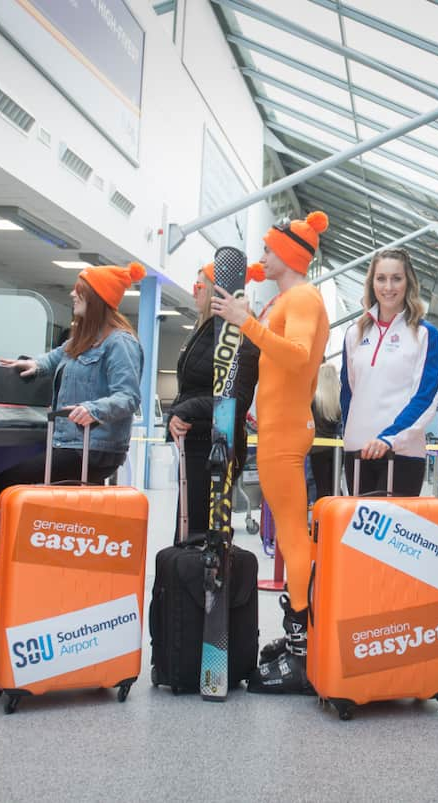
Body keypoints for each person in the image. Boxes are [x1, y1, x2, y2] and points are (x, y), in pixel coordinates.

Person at [212, 211, 330, 694]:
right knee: (290, 537)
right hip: (279, 429)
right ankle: (299, 636)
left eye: (267, 248)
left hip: (286, 435)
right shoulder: (288, 298)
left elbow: (299, 355)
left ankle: (303, 649)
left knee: (294, 540)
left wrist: (246, 322)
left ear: (287, 254)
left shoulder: (302, 296)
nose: (261, 256)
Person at [0, 263, 145, 502]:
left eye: (79, 289)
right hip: (72, 444)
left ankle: (8, 538)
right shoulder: (84, 339)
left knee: (3, 486)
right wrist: (36, 364)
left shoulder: (119, 343)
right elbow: (56, 357)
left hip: (92, 449)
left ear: (95, 298)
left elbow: (128, 396)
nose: (72, 294)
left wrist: (92, 409)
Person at [165, 262, 260, 540]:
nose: (193, 293)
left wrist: (185, 410)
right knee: (188, 530)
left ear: (215, 292)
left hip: (215, 447)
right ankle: (185, 583)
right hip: (194, 443)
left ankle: (205, 582)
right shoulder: (204, 331)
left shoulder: (239, 337)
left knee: (202, 534)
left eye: (199, 287)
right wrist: (177, 413)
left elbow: (236, 401)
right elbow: (189, 388)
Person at [340, 248, 438, 496]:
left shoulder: (425, 334)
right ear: (372, 283)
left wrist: (389, 438)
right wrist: (351, 436)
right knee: (356, 535)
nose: (388, 287)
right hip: (357, 452)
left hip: (402, 454)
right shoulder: (355, 333)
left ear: (408, 282)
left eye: (396, 278)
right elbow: (348, 392)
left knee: (392, 535)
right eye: (381, 278)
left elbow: (425, 397)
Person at [309, 362, 342, 500]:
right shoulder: (340, 398)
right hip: (338, 448)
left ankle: (321, 520)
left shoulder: (314, 399)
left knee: (321, 488)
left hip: (318, 448)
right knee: (335, 485)